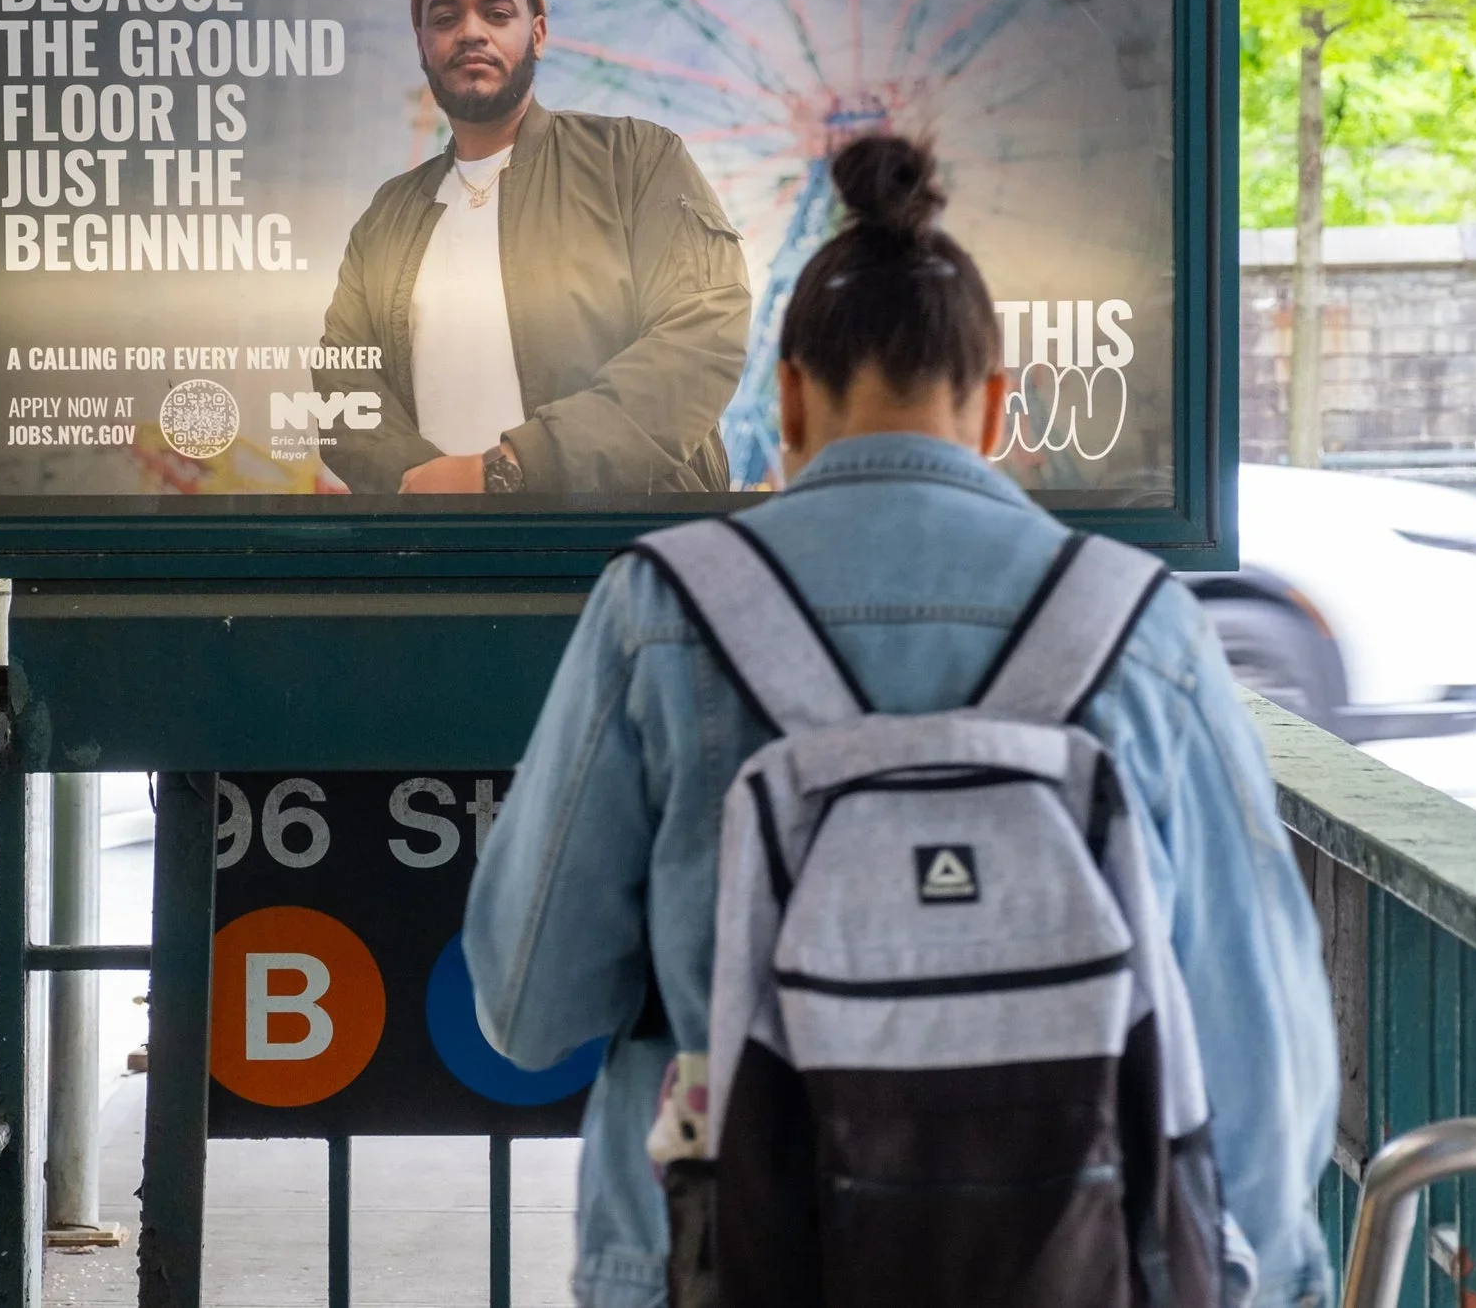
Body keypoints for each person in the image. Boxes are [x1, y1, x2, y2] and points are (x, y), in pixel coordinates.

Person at [464, 135, 1339, 1308]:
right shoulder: (1141, 626)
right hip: (1073, 1260)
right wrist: (1271, 1276)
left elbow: (531, 1005)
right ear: (994, 408)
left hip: (712, 1263)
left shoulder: (660, 608)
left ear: (785, 395)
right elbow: (1255, 1030)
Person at [312, 0, 752, 497]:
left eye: (496, 14)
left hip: (618, 553)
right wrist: (420, 484)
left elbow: (701, 336)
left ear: (537, 34)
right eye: (445, 20)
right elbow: (342, 385)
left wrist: (510, 468)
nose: (471, 32)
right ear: (421, 45)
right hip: (442, 560)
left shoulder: (637, 160)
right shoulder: (386, 217)